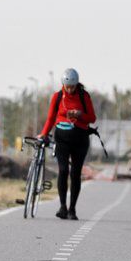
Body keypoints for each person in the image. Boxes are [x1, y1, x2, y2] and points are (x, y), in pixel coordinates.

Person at [37, 68, 96, 220]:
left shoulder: (84, 96)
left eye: (72, 87)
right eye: (67, 86)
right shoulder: (57, 97)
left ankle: (72, 209)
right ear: (63, 84)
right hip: (62, 139)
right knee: (63, 170)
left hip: (80, 139)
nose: (70, 90)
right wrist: (43, 134)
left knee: (75, 173)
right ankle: (62, 206)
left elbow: (92, 118)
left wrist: (79, 114)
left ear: (77, 84)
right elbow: (50, 118)